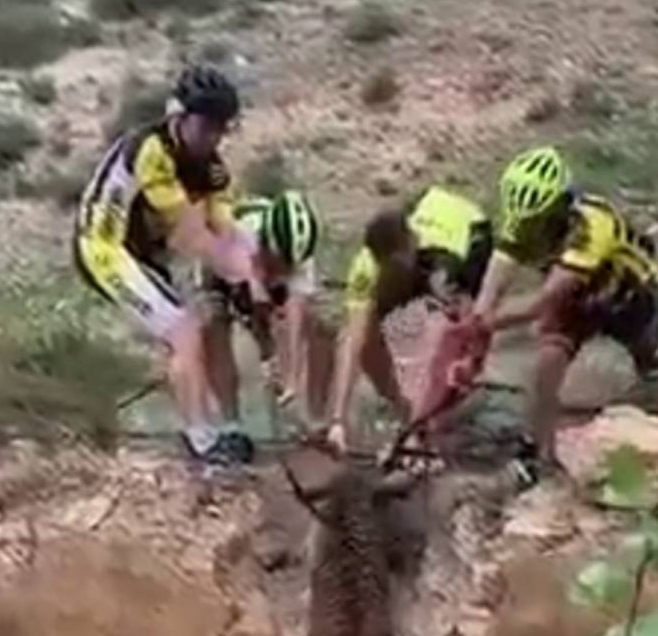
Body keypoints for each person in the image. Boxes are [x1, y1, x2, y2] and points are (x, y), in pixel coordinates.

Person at [73, 63, 267, 466]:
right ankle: (201, 443)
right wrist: (242, 277)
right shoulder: (150, 150)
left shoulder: (212, 168)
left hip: (142, 253)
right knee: (184, 330)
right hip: (103, 247)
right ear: (179, 115)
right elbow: (190, 235)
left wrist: (253, 279)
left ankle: (208, 427)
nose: (212, 137)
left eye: (221, 127)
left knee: (189, 329)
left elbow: (224, 228)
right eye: (205, 126)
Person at [470, 145, 658, 474]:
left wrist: (488, 323)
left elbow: (542, 301)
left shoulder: (591, 227)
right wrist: (479, 314)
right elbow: (500, 268)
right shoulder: (523, 217)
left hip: (629, 298)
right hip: (576, 300)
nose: (531, 230)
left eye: (539, 222)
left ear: (560, 207)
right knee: (547, 363)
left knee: (647, 377)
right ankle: (534, 449)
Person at [325, 184, 493, 457]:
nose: (389, 272)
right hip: (425, 221)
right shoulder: (366, 266)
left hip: (468, 230)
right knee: (366, 336)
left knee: (451, 340)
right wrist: (337, 421)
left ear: (410, 245)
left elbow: (465, 329)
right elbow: (353, 341)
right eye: (386, 268)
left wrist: (468, 365)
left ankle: (429, 424)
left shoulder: (442, 263)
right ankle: (408, 415)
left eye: (395, 266)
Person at [199, 188, 335, 440]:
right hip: (221, 263)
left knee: (316, 326)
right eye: (281, 262)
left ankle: (309, 417)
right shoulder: (242, 236)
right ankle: (230, 422)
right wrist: (267, 354)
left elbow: (295, 315)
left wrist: (291, 379)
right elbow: (254, 306)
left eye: (290, 266)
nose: (286, 269)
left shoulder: (300, 259)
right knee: (213, 322)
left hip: (259, 272)